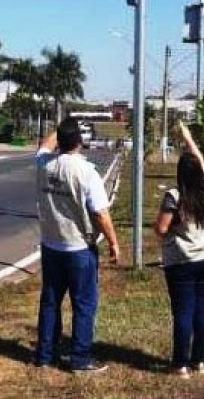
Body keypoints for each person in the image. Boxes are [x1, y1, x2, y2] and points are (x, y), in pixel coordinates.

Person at [34, 117, 121, 373]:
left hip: (51, 244)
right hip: (79, 247)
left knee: (50, 301)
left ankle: (45, 355)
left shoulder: (43, 164)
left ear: (59, 141)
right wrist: (114, 242)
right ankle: (80, 358)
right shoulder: (86, 172)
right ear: (80, 142)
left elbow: (43, 144)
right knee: (83, 304)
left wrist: (60, 127)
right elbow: (100, 214)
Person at [154, 121, 204, 379]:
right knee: (202, 309)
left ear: (180, 174)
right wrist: (188, 138)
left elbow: (161, 229)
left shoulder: (175, 196)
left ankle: (180, 364)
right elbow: (201, 165)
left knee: (183, 312)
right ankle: (199, 361)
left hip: (182, 262)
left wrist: (173, 229)